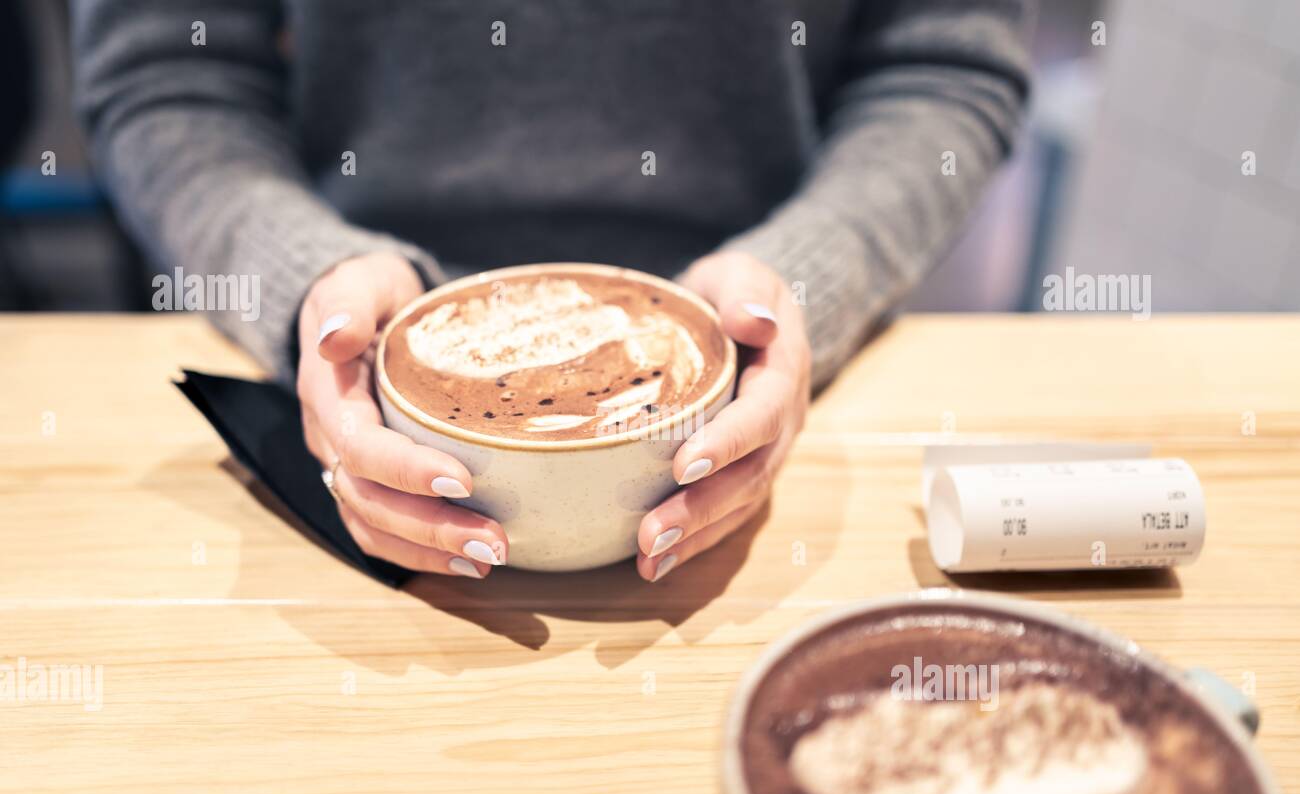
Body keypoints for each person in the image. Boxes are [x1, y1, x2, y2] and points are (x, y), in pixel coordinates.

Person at [73, 1, 1032, 581]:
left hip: (764, 396)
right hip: (352, 373)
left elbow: (943, 62)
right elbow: (169, 73)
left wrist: (805, 281)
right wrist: (304, 279)